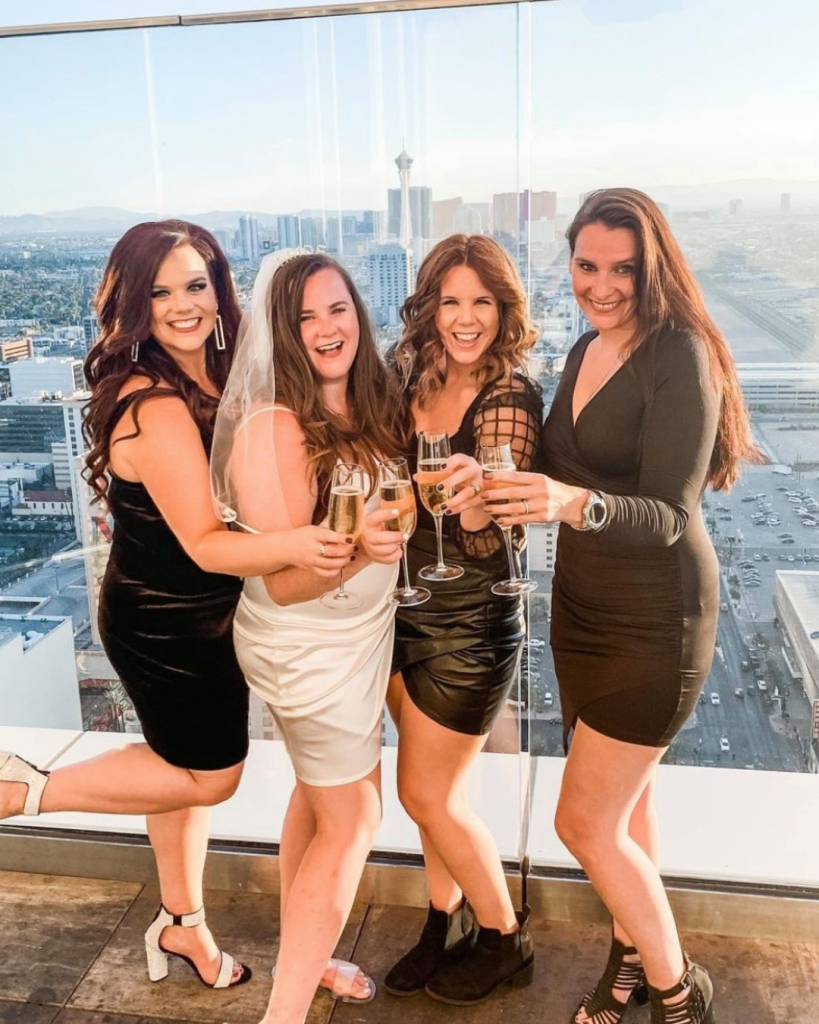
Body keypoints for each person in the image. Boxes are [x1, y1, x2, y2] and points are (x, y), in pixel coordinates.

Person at [0, 221, 353, 991]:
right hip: (169, 618)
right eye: (158, 292)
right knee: (210, 777)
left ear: (219, 291)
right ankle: (24, 790)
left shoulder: (213, 376)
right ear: (133, 304)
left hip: (193, 610)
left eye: (195, 284)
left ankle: (183, 924)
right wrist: (303, 543)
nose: (182, 305)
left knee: (174, 767)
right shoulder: (156, 403)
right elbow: (203, 542)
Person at [483, 188, 760, 1024]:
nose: (600, 286)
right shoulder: (585, 347)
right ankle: (628, 957)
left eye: (622, 270)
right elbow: (556, 462)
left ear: (655, 270)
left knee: (582, 823)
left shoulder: (681, 353)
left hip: (654, 620)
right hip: (582, 612)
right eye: (585, 266)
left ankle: (680, 994)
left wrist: (571, 505)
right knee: (628, 811)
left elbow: (671, 517)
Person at [213, 251, 406, 1024]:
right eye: (306, 318)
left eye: (338, 309)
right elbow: (282, 583)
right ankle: (283, 1015)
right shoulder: (271, 428)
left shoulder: (367, 398)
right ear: (280, 334)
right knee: (355, 818)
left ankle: (312, 954)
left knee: (317, 804)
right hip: (307, 649)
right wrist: (367, 548)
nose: (328, 329)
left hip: (359, 634)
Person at [385, 235, 542, 1005]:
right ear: (428, 307)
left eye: (481, 301)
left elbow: (493, 527)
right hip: (400, 604)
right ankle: (440, 918)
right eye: (450, 300)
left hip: (471, 617)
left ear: (503, 310)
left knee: (426, 794)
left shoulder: (508, 394)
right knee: (435, 790)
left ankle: (506, 937)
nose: (465, 317)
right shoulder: (406, 373)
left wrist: (479, 492)